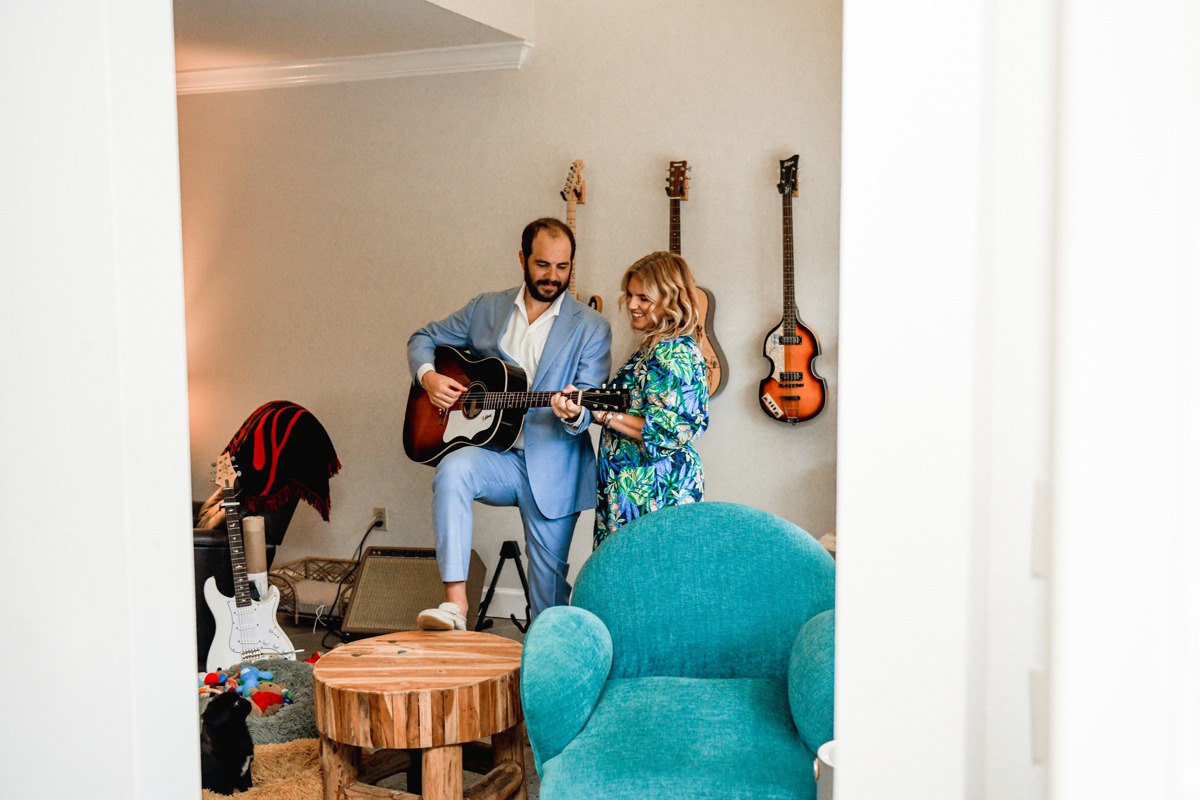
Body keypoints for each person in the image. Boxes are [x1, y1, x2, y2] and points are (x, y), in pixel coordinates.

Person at [407, 217, 612, 630]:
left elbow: (589, 401)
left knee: (548, 601)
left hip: (555, 466)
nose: (553, 277)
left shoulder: (592, 327)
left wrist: (575, 412)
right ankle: (455, 606)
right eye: (542, 265)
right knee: (453, 470)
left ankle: (546, 678)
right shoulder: (487, 308)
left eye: (562, 267)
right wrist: (429, 378)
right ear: (522, 259)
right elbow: (422, 338)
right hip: (497, 457)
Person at [556, 251, 710, 548]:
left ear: (670, 299)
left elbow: (668, 429)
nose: (631, 305)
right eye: (629, 294)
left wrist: (604, 416)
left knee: (647, 584)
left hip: (654, 490)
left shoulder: (673, 351)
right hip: (629, 487)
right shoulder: (652, 347)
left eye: (643, 298)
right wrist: (583, 403)